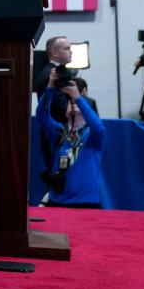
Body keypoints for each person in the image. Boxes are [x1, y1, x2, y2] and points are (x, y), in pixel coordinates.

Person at [36, 71, 106, 208]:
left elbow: (99, 127)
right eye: (70, 102)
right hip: (57, 201)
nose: (73, 104)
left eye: (77, 103)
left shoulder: (93, 136)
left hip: (86, 202)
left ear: (87, 110)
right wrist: (50, 88)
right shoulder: (60, 132)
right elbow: (41, 115)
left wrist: (77, 97)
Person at [34, 36, 73, 102]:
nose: (71, 52)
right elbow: (59, 106)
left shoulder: (53, 71)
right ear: (55, 53)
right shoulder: (52, 75)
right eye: (67, 48)